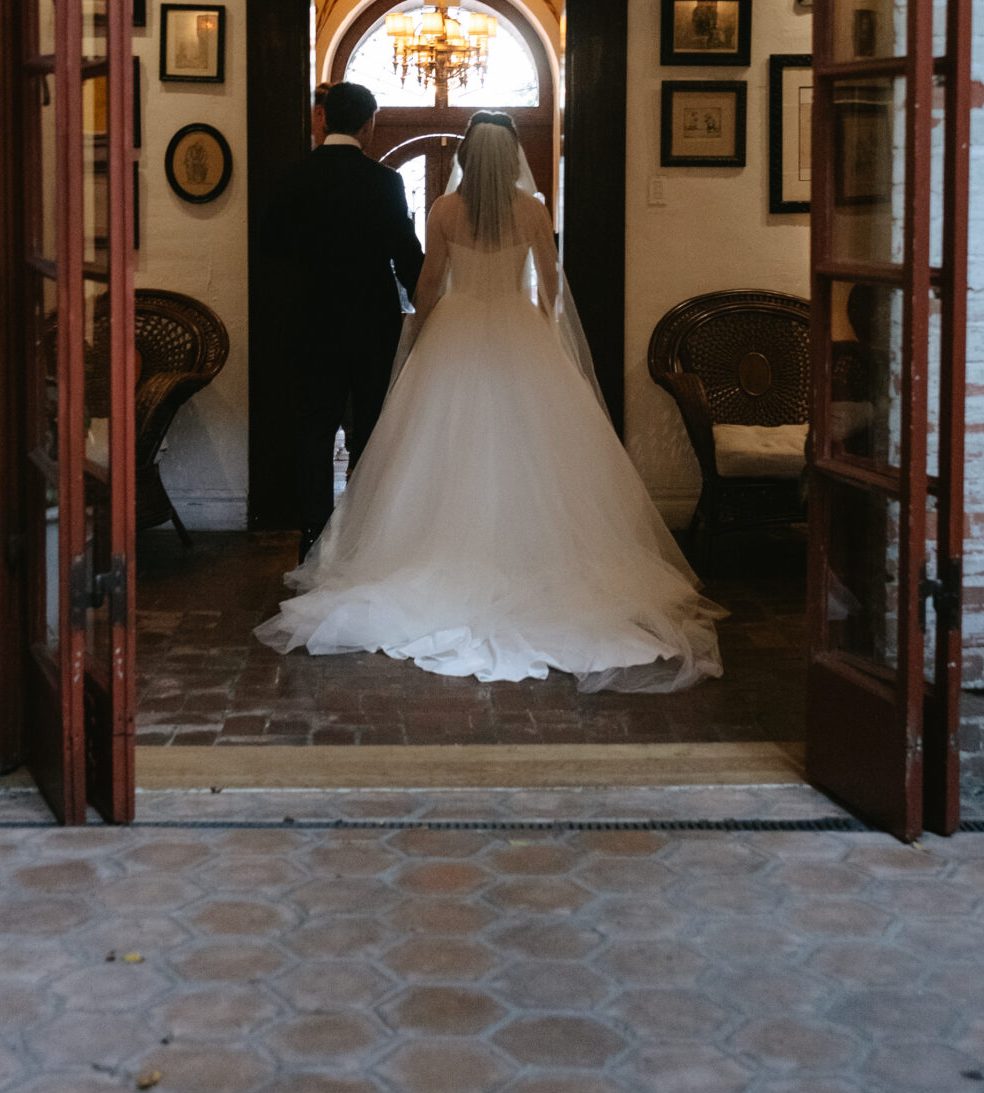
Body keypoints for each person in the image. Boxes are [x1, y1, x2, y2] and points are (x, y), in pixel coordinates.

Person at [257, 110, 723, 689]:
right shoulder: (532, 209)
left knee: (440, 448)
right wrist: (543, 327)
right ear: (513, 158)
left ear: (469, 157)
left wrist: (420, 331)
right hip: (515, 328)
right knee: (527, 448)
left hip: (456, 330)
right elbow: (550, 282)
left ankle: (421, 551)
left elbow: (430, 282)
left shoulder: (446, 209)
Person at [259, 78, 425, 552]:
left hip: (309, 323)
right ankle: (363, 532)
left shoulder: (292, 176)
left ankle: (313, 533)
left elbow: (269, 248)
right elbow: (406, 255)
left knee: (313, 429)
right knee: (370, 428)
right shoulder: (385, 182)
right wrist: (432, 303)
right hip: (372, 325)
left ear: (324, 118)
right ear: (369, 124)